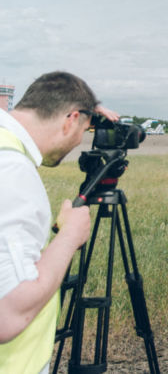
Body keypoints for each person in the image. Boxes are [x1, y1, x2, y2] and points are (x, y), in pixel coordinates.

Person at [0, 71, 118, 373]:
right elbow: (7, 315)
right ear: (69, 119)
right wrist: (69, 237)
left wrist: (85, 112)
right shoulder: (14, 173)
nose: (79, 141)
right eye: (81, 131)